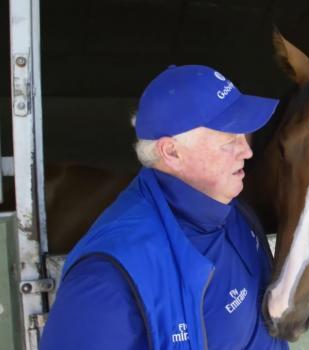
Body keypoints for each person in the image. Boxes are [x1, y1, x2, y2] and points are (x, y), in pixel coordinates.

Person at [40, 65, 289, 349]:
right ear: (171, 152)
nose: (246, 151)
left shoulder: (235, 212)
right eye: (228, 140)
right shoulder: (106, 281)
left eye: (242, 137)